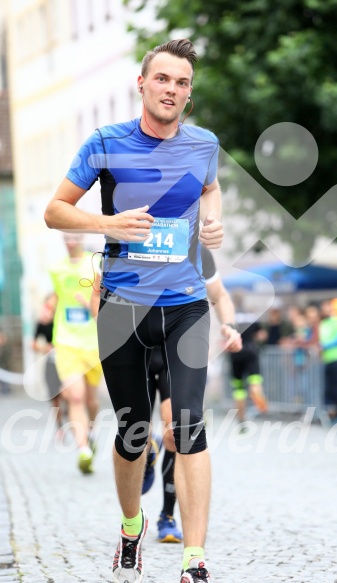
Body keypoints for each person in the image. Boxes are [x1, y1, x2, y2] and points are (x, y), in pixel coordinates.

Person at [44, 39, 223, 583]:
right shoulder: (104, 143)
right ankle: (130, 524)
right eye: (164, 79)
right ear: (142, 84)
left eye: (183, 83)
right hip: (123, 307)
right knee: (132, 433)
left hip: (187, 303)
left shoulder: (204, 145)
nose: (173, 90)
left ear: (189, 94)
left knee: (189, 425)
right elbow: (56, 211)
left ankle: (194, 558)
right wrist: (108, 225)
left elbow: (210, 189)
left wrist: (212, 222)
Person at [144, 245, 242, 544]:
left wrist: (229, 325)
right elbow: (101, 296)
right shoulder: (133, 237)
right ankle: (145, 452)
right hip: (137, 348)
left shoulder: (197, 250)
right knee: (133, 437)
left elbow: (220, 295)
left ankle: (167, 516)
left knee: (176, 432)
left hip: (177, 351)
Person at [48, 234, 102, 473]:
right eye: (67, 236)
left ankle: (91, 432)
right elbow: (58, 297)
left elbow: (102, 301)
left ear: (82, 238)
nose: (71, 240)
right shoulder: (56, 268)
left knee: (91, 400)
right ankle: (83, 451)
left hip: (94, 343)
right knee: (76, 397)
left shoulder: (95, 263)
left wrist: (87, 304)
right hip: (66, 341)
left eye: (75, 236)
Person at [228, 294, 267, 432]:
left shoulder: (230, 317)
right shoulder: (252, 316)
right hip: (251, 353)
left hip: (235, 355)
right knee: (255, 381)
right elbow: (262, 335)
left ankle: (241, 421)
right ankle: (257, 394)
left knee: (239, 391)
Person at [32, 293, 65, 435]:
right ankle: (60, 427)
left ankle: (74, 420)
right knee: (54, 396)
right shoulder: (43, 323)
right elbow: (33, 344)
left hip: (66, 360)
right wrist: (45, 348)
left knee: (68, 393)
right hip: (51, 362)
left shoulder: (64, 320)